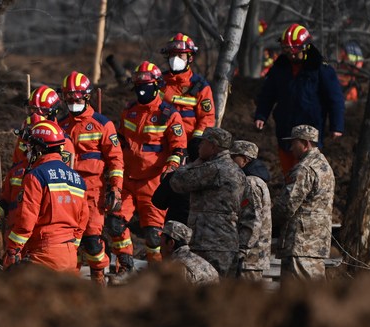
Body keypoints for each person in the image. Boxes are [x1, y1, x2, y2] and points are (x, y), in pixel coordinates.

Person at [110, 61, 186, 271]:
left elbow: (179, 147)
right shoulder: (129, 111)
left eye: (146, 85)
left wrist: (171, 168)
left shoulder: (169, 114)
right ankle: (124, 263)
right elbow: (121, 139)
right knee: (115, 224)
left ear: (157, 85)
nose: (142, 90)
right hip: (126, 179)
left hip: (152, 181)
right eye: (138, 86)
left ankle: (157, 273)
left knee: (154, 235)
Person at [254, 23, 345, 177]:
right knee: (289, 174)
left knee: (306, 174)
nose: (291, 55)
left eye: (294, 51)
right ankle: (289, 197)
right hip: (285, 130)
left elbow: (335, 98)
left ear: (305, 47)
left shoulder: (321, 69)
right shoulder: (279, 68)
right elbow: (267, 94)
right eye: (286, 51)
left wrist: (337, 126)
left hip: (310, 134)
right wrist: (261, 115)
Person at [59, 70, 123, 283]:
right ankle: (72, 283)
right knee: (69, 241)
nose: (72, 102)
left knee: (92, 241)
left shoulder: (103, 124)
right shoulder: (60, 126)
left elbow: (115, 160)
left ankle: (98, 277)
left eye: (76, 98)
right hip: (66, 193)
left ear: (86, 97)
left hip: (93, 193)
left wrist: (115, 188)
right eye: (68, 98)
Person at [4, 120, 87, 274]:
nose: (27, 151)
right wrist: (71, 245)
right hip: (70, 255)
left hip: (44, 255)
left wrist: (12, 249)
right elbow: (83, 220)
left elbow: (26, 221)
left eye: (30, 147)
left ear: (39, 148)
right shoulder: (78, 179)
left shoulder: (35, 176)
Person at [169, 127, 246, 277]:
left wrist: (194, 163)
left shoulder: (213, 168)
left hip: (209, 242)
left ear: (213, 146)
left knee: (206, 292)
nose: (199, 147)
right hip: (228, 240)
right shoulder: (237, 170)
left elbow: (177, 182)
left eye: (203, 143)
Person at [274, 124, 335, 280]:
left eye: (294, 143)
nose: (290, 148)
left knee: (296, 296)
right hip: (316, 242)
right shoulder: (324, 166)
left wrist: (270, 221)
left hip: (300, 243)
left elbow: (287, 205)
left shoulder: (305, 169)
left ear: (306, 143)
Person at [160, 33, 215, 160]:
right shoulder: (159, 82)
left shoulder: (199, 86)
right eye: (173, 55)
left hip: (187, 144)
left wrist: (197, 141)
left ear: (190, 58)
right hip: (160, 141)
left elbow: (207, 117)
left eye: (180, 55)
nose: (175, 59)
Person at [230, 141, 272, 281]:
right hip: (251, 257)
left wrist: (242, 251)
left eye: (234, 157)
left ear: (245, 159)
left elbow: (252, 221)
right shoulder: (254, 180)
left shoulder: (250, 183)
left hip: (249, 258)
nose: (230, 161)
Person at [160, 220, 219, 285]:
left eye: (161, 238)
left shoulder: (175, 269)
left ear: (171, 243)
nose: (159, 243)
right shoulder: (205, 263)